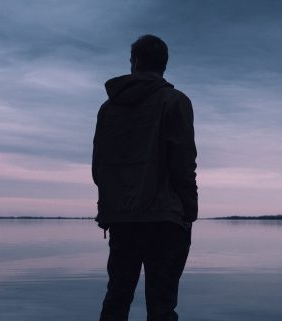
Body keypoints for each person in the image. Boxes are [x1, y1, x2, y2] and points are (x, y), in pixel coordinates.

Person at [93, 34, 198, 321]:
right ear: (163, 65)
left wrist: (112, 206)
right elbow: (183, 162)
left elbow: (98, 166)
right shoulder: (175, 102)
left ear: (135, 62)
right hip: (166, 219)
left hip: (122, 219)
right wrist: (191, 209)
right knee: (162, 306)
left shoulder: (108, 108)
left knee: (116, 298)